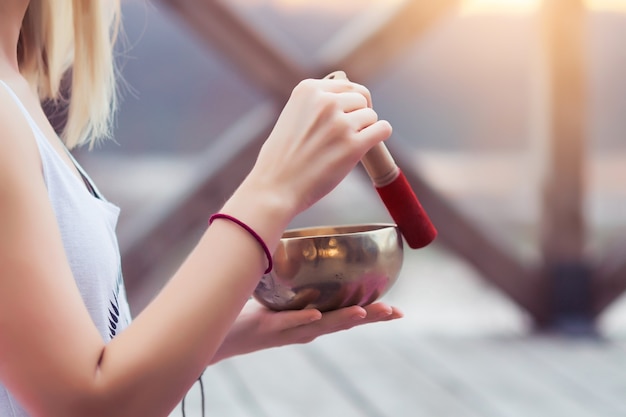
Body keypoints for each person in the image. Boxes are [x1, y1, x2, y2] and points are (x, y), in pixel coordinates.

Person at [0, 1, 402, 416]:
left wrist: (208, 330)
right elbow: (87, 407)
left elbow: (67, 374)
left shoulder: (15, 88)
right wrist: (272, 188)